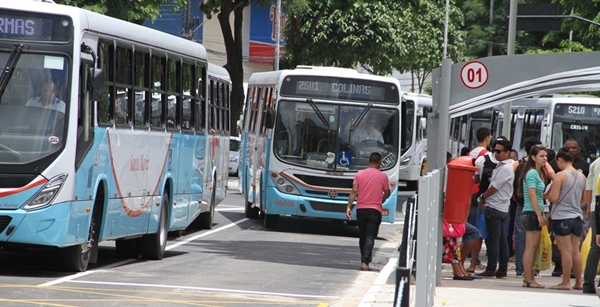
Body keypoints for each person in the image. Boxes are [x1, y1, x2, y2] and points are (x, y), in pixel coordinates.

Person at [545, 146, 586, 290]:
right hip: (577, 216)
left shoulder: (560, 175)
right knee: (576, 251)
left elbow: (554, 197)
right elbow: (583, 199)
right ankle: (579, 282)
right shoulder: (582, 176)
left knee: (565, 251)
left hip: (562, 216)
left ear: (559, 160)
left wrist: (547, 195)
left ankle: (566, 281)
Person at [476, 136, 514, 279]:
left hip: (496, 206)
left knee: (493, 240)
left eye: (499, 151)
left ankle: (492, 268)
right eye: (494, 151)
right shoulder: (502, 166)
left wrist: (483, 197)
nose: (496, 154)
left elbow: (495, 187)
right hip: (500, 206)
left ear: (508, 152)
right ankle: (501, 268)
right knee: (501, 240)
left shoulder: (506, 168)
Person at [346, 152, 390, 271]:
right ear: (380, 162)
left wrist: (349, 206)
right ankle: (365, 261)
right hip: (374, 210)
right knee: (370, 236)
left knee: (363, 235)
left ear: (368, 162)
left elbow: (354, 191)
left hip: (361, 209)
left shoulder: (359, 174)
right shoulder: (383, 176)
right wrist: (382, 199)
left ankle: (364, 258)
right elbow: (387, 192)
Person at [518, 145, 548, 288]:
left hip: (533, 212)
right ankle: (528, 278)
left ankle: (528, 278)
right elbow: (531, 194)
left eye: (545, 156)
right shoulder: (532, 174)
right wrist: (539, 214)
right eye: (541, 156)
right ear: (533, 157)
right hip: (531, 212)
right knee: (531, 247)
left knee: (532, 247)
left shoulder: (537, 173)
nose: (545, 159)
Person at [582, 156, 600, 294]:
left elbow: (589, 187)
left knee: (595, 246)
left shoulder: (595, 163)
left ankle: (588, 283)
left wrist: (588, 206)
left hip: (596, 207)